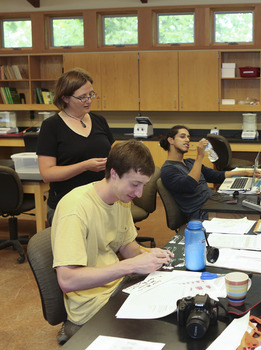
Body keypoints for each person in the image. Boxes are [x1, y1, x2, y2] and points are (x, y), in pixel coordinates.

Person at [52, 140, 173, 344]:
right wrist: (130, 266)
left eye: (143, 185)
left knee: (173, 309)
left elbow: (127, 247)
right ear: (114, 173)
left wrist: (149, 255)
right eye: (135, 184)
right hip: (91, 303)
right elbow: (67, 280)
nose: (139, 194)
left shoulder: (120, 201)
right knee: (157, 331)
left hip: (117, 286)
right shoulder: (75, 208)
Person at [37, 68, 114, 224]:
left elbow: (112, 155)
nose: (89, 100)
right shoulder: (51, 126)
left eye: (91, 94)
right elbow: (47, 174)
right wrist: (84, 166)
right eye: (82, 97)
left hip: (101, 201)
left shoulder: (99, 121)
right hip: (67, 206)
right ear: (65, 98)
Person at [159, 125, 261, 220]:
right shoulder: (168, 169)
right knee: (256, 217)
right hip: (203, 214)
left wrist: (245, 172)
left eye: (188, 137)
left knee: (253, 206)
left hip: (214, 203)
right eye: (182, 137)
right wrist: (200, 156)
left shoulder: (190, 162)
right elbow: (190, 184)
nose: (187, 140)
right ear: (171, 140)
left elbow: (215, 176)